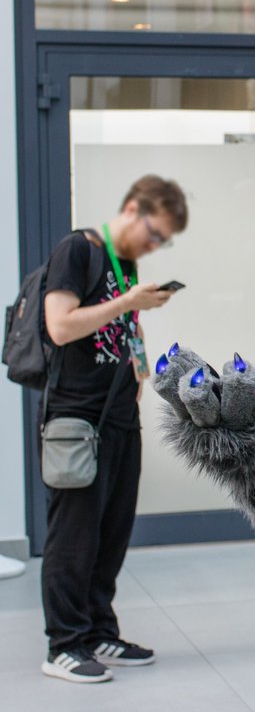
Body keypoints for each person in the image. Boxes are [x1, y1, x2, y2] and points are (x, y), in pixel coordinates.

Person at [39, 175, 187, 684]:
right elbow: (60, 326)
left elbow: (123, 328)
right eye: (154, 233)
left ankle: (100, 629)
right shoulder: (76, 250)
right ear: (131, 210)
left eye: (162, 241)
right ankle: (64, 643)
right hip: (77, 418)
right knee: (73, 536)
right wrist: (129, 303)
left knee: (110, 533)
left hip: (119, 413)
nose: (154, 245)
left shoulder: (125, 265)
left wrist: (139, 363)